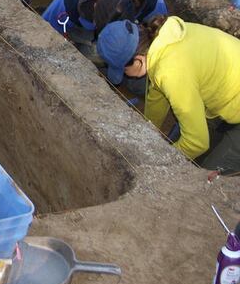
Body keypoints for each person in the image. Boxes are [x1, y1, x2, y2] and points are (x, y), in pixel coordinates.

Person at [98, 17, 240, 173]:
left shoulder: (171, 72)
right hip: (227, 94)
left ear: (138, 60)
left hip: (234, 106)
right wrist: (148, 132)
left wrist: (161, 165)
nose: (126, 76)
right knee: (188, 153)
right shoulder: (163, 41)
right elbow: (156, 96)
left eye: (123, 70)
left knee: (207, 178)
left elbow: (197, 142)